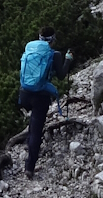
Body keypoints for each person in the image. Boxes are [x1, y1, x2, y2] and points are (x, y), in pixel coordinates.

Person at [17, 27, 70, 179]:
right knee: (36, 130)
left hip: (24, 93)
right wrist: (68, 60)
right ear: (53, 39)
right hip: (40, 96)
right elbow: (61, 75)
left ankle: (28, 143)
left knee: (32, 123)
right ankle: (29, 167)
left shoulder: (30, 48)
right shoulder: (55, 55)